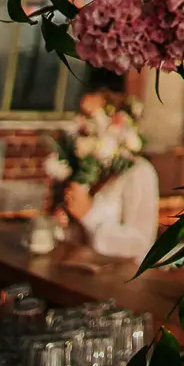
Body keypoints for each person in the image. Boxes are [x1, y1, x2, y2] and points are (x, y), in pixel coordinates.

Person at [62, 91, 160, 262]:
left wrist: (88, 214)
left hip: (119, 279)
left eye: (90, 118)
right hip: (78, 269)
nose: (83, 126)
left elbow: (140, 244)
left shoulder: (139, 171)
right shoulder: (84, 167)